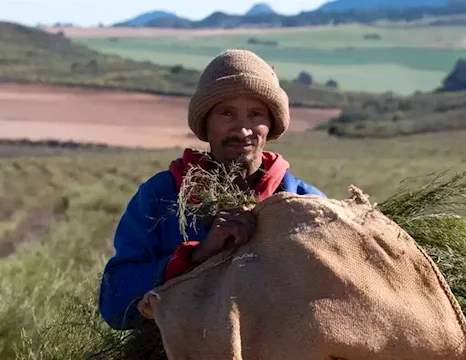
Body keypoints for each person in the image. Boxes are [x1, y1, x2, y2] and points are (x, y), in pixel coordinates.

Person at [98, 49, 326, 330]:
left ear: (271, 125)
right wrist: (195, 256)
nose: (243, 130)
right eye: (226, 113)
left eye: (255, 114)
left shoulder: (305, 201)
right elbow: (113, 302)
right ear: (205, 123)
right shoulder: (160, 195)